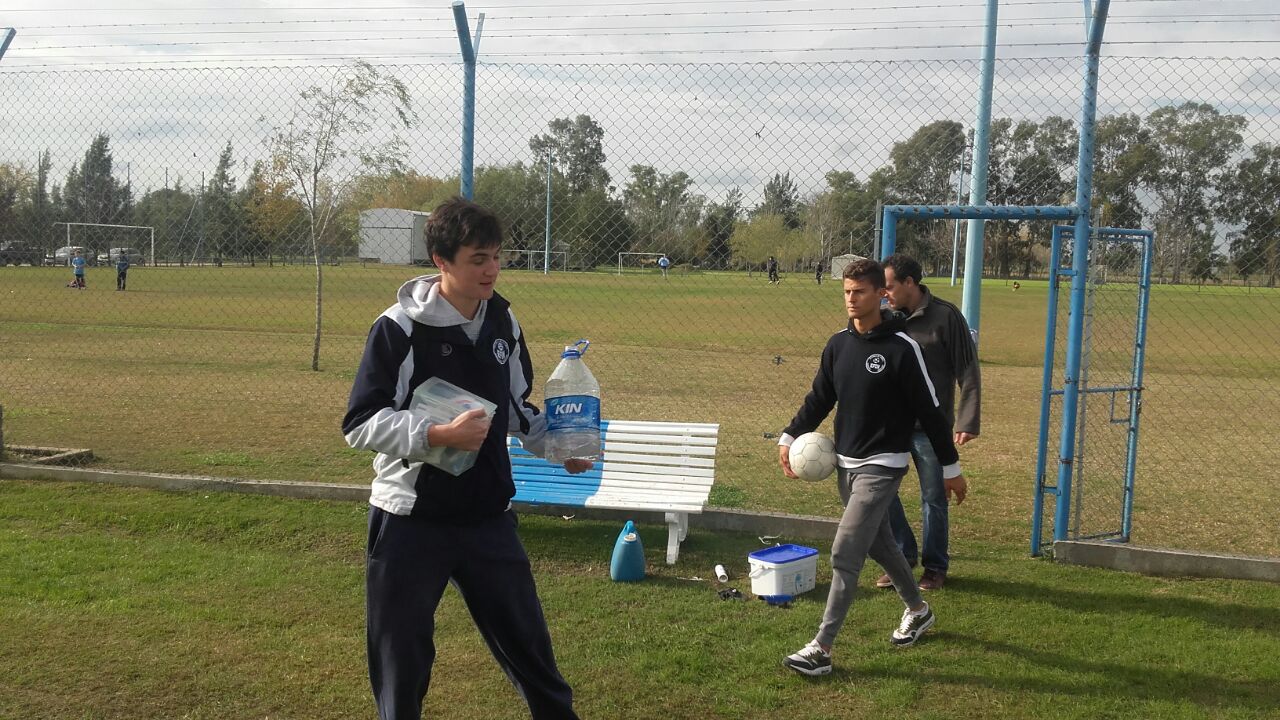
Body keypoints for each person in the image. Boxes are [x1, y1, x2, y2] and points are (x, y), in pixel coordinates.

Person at [342, 197, 586, 720]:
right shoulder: (398, 328)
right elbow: (360, 422)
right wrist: (438, 434)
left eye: (496, 256)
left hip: (486, 517)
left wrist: (560, 448)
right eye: (478, 259)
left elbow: (516, 411)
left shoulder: (502, 320)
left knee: (531, 652)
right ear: (441, 261)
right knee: (402, 661)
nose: (492, 269)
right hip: (410, 520)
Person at [777, 258, 964, 677]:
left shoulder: (903, 349)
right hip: (846, 465)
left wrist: (950, 467)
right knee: (881, 545)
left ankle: (821, 648)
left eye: (859, 292)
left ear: (881, 294)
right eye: (846, 292)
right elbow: (820, 398)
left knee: (846, 550)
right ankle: (918, 610)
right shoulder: (838, 345)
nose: (851, 299)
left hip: (884, 466)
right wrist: (789, 435)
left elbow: (931, 413)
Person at [877, 254, 981, 591]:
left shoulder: (946, 316)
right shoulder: (884, 317)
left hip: (930, 428)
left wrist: (967, 419)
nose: (884, 293)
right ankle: (902, 555)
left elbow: (968, 369)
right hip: (891, 426)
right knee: (880, 493)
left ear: (910, 283)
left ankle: (935, 566)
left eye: (888, 286)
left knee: (934, 497)